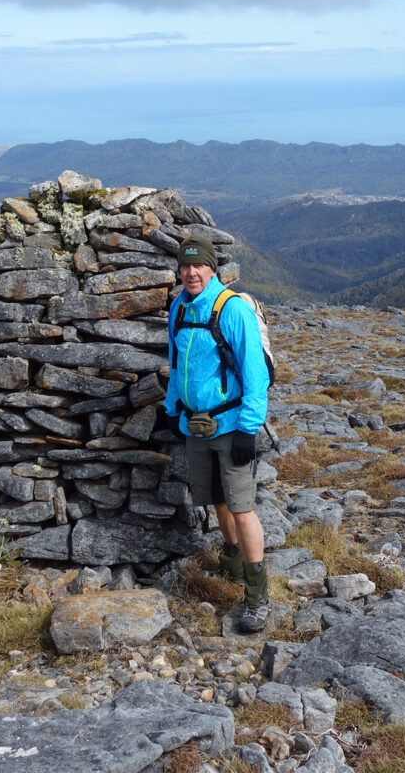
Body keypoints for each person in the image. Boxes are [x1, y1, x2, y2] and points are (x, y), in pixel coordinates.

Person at [163, 233, 271, 632]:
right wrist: (171, 409)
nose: (191, 273)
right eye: (185, 266)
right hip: (194, 424)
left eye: (199, 265)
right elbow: (176, 364)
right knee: (217, 502)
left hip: (231, 426)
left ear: (212, 269)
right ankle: (231, 563)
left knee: (241, 508)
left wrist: (248, 430)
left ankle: (257, 597)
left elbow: (255, 375)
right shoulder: (178, 308)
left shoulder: (231, 309)